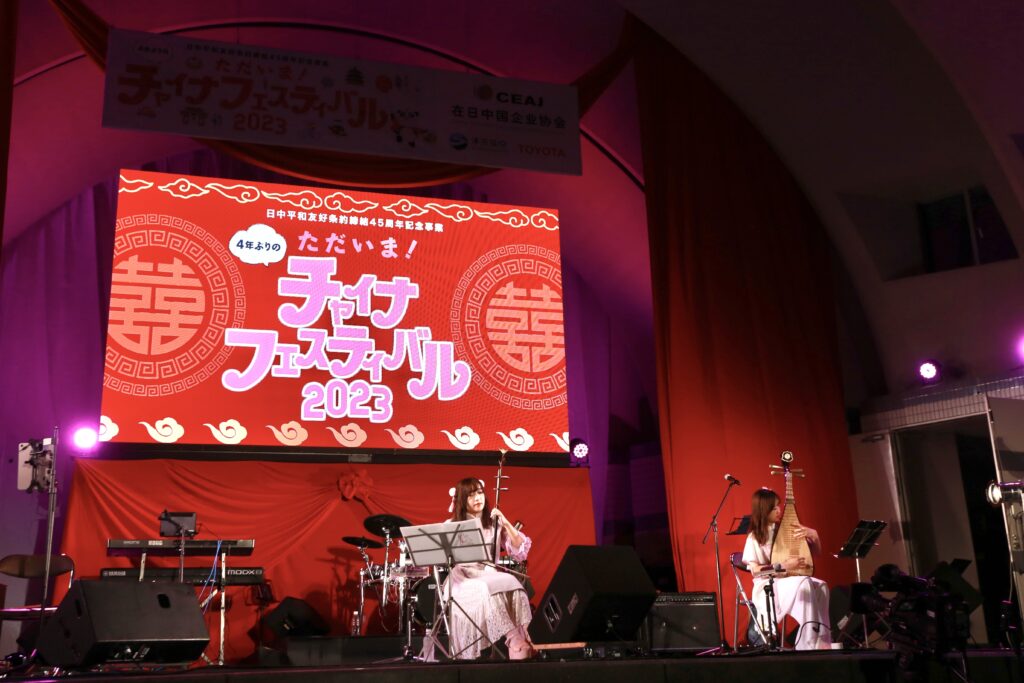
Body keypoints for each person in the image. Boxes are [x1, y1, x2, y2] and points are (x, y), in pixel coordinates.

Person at [443, 477, 534, 660]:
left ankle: (525, 637)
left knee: (513, 581)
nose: (477, 498)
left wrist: (505, 522)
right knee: (485, 588)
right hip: (464, 578)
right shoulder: (451, 525)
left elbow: (519, 550)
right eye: (470, 495)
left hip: (489, 574)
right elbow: (444, 557)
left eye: (479, 492)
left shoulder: (493, 524)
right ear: (461, 500)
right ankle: (513, 638)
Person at [742, 487, 831, 650]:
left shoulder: (786, 531)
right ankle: (808, 643)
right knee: (804, 583)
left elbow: (816, 553)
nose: (779, 510)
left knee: (822, 586)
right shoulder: (755, 537)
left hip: (791, 581)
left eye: (779, 506)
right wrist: (783, 566)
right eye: (774, 507)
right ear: (764, 510)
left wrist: (814, 534)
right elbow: (755, 571)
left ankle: (821, 639)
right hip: (768, 585)